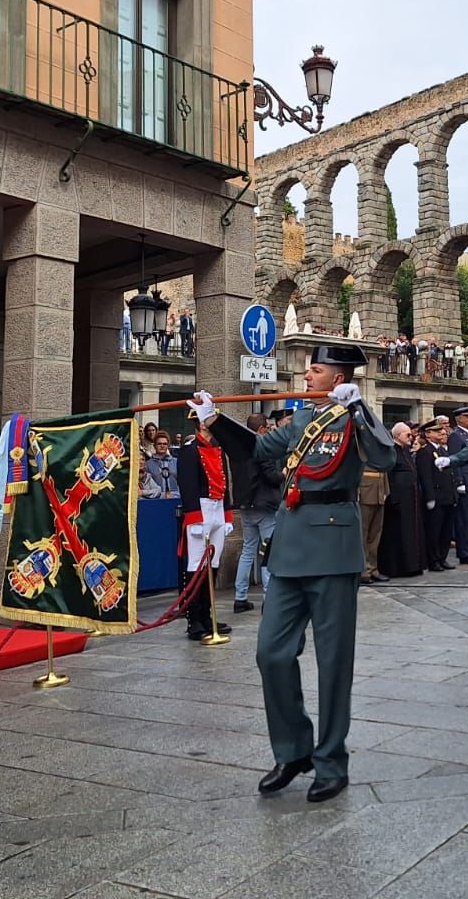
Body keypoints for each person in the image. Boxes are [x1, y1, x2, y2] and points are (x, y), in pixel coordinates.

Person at [194, 343, 396, 803]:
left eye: (316, 370)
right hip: (288, 548)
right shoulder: (302, 420)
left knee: (333, 662)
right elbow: (258, 450)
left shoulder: (352, 416)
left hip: (332, 546)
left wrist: (360, 408)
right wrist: (215, 420)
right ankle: (292, 750)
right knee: (272, 653)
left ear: (340, 378)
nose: (307, 376)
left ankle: (331, 760)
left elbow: (385, 459)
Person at [174, 416, 235, 641]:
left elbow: (225, 482)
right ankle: (194, 619)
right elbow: (187, 485)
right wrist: (194, 518)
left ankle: (207, 615)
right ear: (200, 424)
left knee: (214, 564)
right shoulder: (189, 451)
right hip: (200, 508)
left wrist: (227, 514)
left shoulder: (219, 449)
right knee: (196, 566)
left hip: (217, 507)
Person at [234, 413, 282, 612]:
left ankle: (240, 596)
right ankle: (269, 597)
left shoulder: (237, 446)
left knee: (248, 550)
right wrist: (286, 472)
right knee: (268, 552)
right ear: (261, 428)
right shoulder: (261, 446)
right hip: (264, 505)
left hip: (246, 505)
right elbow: (272, 476)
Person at [378, 422, 426, 579]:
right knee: (399, 534)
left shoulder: (406, 451)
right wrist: (394, 498)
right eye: (408, 435)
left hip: (411, 500)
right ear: (398, 435)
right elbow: (389, 476)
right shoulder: (392, 451)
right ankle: (399, 567)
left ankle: (413, 565)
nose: (411, 437)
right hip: (398, 501)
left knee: (412, 533)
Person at [415, 418, 455, 572]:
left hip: (448, 496)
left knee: (446, 530)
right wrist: (429, 497)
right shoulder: (424, 453)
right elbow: (425, 477)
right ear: (428, 433)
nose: (442, 433)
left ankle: (442, 557)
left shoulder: (442, 450)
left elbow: (449, 473)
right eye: (438, 431)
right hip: (436, 498)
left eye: (442, 430)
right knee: (434, 531)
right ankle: (433, 560)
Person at [446, 405, 468, 564]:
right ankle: (464, 552)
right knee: (463, 520)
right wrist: (459, 481)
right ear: (460, 419)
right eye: (467, 417)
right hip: (465, 483)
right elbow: (455, 459)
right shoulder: (456, 436)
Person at [357, 458, 389, 585]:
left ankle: (373, 569)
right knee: (363, 534)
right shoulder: (361, 444)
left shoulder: (379, 449)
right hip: (365, 491)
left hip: (379, 492)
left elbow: (384, 469)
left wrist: (386, 490)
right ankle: (363, 570)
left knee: (375, 534)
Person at [140, 432, 180, 502]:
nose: (162, 446)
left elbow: (182, 482)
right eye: (159, 444)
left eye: (165, 444)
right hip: (156, 500)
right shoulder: (147, 464)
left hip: (176, 499)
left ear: (168, 445)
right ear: (154, 446)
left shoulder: (176, 462)